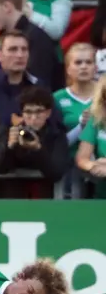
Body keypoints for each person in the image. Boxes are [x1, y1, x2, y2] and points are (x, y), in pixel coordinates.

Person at [54, 43, 96, 198]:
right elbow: (56, 143)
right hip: (68, 169)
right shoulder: (57, 98)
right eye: (78, 62)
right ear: (68, 69)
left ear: (95, 67)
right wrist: (81, 127)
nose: (84, 67)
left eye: (88, 62)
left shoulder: (103, 95)